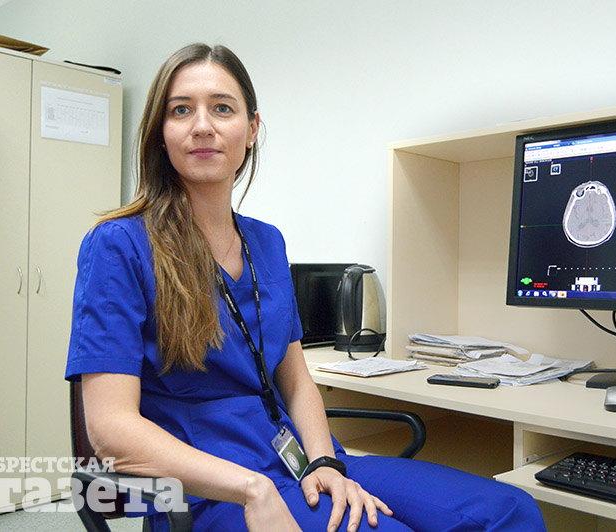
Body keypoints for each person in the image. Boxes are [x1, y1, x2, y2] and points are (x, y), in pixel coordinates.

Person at [65, 42, 545, 531]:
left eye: (223, 108)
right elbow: (110, 430)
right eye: (181, 110)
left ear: (252, 128)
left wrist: (325, 463)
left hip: (297, 460)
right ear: (160, 133)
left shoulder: (266, 243)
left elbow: (295, 380)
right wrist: (252, 488)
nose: (203, 125)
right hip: (210, 489)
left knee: (510, 510)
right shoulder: (119, 245)